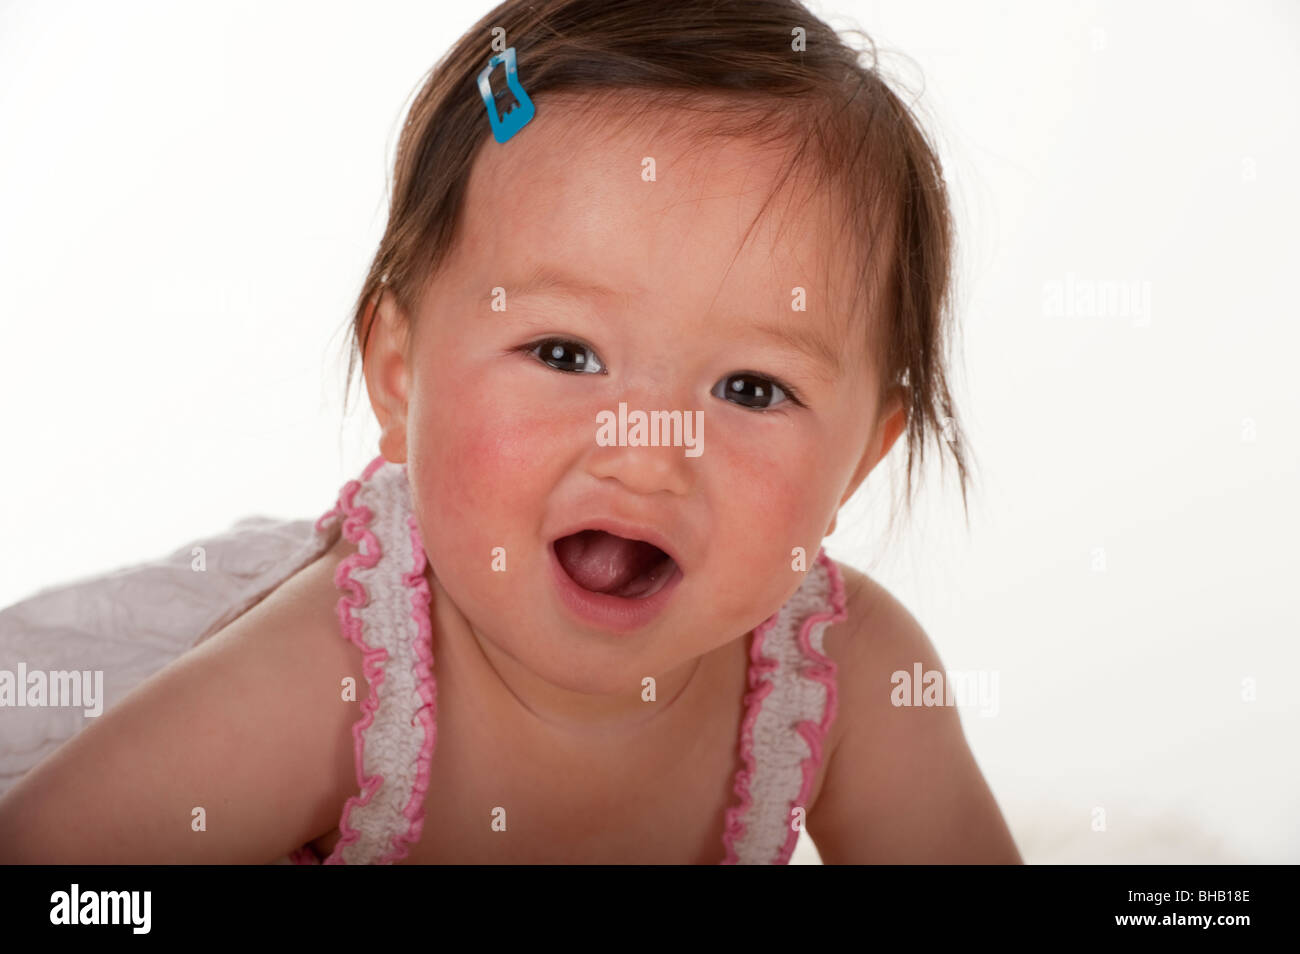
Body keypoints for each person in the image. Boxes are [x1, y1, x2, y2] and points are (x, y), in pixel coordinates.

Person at [0, 0, 1020, 864]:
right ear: (399, 378)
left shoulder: (844, 671)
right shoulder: (342, 670)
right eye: (566, 355)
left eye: (751, 388)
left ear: (861, 458)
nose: (645, 448)